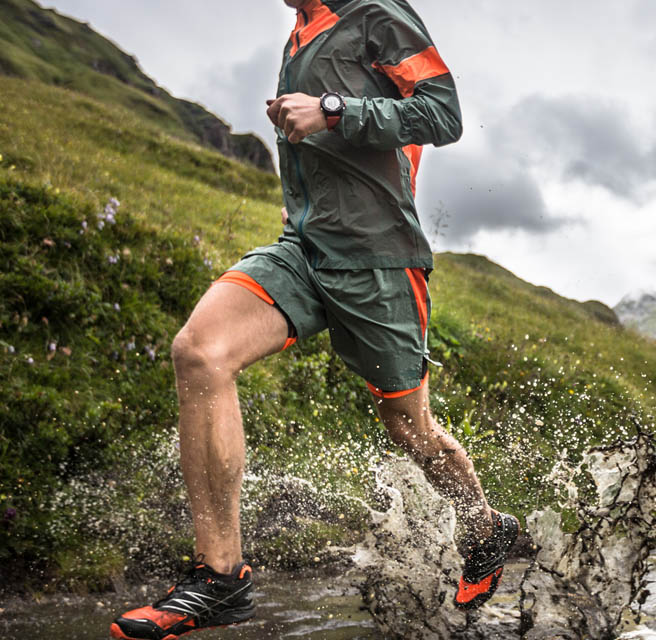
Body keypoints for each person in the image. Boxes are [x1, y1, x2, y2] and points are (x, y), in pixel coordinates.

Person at [110, 2, 517, 638]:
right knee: (200, 351)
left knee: (410, 429)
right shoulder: (298, 35)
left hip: (379, 259)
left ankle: (484, 527)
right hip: (304, 247)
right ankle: (220, 578)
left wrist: (331, 109)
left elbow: (443, 114)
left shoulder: (375, 13)